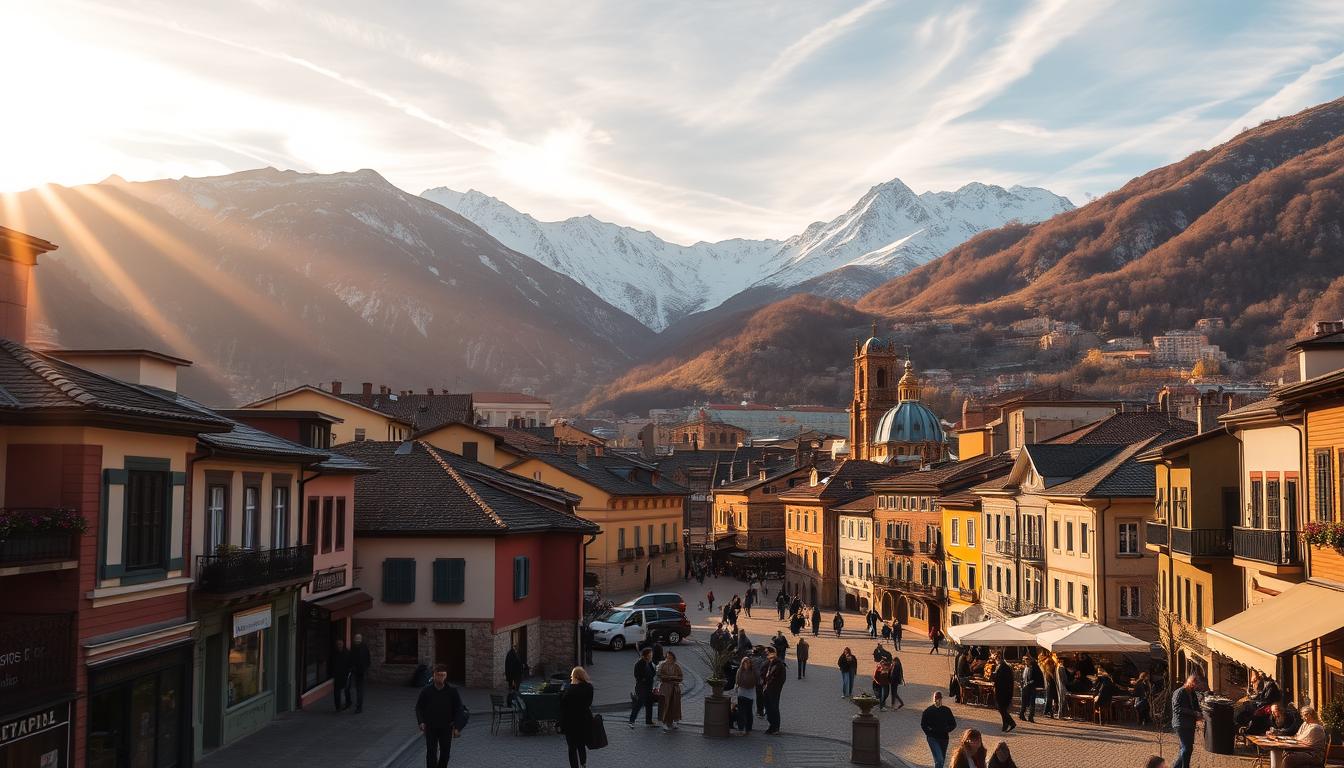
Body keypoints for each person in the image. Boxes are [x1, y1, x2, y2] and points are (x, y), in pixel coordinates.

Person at [415, 664, 465, 768]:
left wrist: (457, 727)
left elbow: (459, 709)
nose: (440, 677)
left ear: (446, 676)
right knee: (431, 753)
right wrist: (421, 722)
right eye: (438, 675)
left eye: (443, 675)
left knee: (445, 753)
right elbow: (419, 707)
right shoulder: (426, 691)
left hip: (446, 727)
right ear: (433, 675)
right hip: (431, 727)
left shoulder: (452, 691)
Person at [559, 667, 594, 768]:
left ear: (574, 677)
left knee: (572, 748)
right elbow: (589, 703)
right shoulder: (589, 687)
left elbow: (563, 706)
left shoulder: (570, 690)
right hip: (584, 720)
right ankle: (583, 763)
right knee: (581, 744)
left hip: (571, 722)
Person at [1170, 674, 1202, 768]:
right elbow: (1176, 708)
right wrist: (1194, 713)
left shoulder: (1192, 693)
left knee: (1187, 748)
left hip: (1190, 724)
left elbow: (1196, 706)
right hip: (1180, 723)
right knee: (1186, 747)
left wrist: (1199, 714)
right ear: (1191, 682)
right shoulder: (1179, 692)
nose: (1196, 687)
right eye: (1195, 684)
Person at [921, 691, 958, 768]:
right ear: (933, 699)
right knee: (940, 759)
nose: (937, 700)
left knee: (941, 760)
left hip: (944, 738)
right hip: (933, 738)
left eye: (939, 698)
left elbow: (953, 724)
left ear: (941, 699)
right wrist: (929, 733)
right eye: (936, 698)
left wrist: (946, 729)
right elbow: (923, 724)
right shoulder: (928, 711)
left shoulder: (947, 710)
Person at [628, 647, 657, 728]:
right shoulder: (640, 663)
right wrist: (644, 679)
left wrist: (651, 664)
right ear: (646, 655)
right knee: (638, 704)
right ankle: (631, 721)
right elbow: (637, 675)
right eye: (650, 654)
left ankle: (649, 721)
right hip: (641, 688)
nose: (652, 655)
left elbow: (653, 673)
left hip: (648, 687)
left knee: (649, 704)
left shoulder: (649, 663)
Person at [761, 646, 787, 735]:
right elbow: (762, 674)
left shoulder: (779, 665)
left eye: (767, 653)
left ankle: (776, 728)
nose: (766, 654)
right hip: (766, 690)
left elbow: (782, 679)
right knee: (768, 708)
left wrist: (773, 687)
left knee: (774, 708)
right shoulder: (767, 663)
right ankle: (771, 726)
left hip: (774, 691)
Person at [657, 651, 684, 732]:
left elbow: (680, 677)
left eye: (670, 657)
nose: (668, 659)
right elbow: (659, 675)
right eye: (667, 657)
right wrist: (670, 677)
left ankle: (675, 721)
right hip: (665, 687)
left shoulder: (677, 666)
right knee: (665, 704)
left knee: (675, 705)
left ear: (673, 658)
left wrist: (673, 678)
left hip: (675, 688)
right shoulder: (663, 665)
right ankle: (664, 722)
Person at [732, 656, 758, 734]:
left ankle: (748, 729)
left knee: (748, 713)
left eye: (748, 663)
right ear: (742, 664)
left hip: (749, 695)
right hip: (741, 694)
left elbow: (755, 682)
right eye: (745, 663)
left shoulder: (753, 672)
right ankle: (741, 729)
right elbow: (737, 682)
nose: (746, 664)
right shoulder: (740, 671)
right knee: (742, 713)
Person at [992, 655, 1017, 732]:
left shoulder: (1004, 668)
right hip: (1004, 691)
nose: (996, 660)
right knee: (1002, 709)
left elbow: (1001, 680)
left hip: (1003, 692)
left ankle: (1011, 723)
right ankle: (1005, 725)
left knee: (1001, 709)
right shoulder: (1002, 667)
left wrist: (994, 676)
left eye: (997, 659)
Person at [351, 633, 371, 713]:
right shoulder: (364, 647)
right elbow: (368, 660)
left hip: (358, 671)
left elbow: (352, 660)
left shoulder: (355, 648)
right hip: (360, 671)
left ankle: (359, 706)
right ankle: (359, 706)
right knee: (359, 689)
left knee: (359, 689)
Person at [331, 638, 352, 712]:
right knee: (336, 691)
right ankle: (337, 706)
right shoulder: (334, 653)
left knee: (346, 690)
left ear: (343, 644)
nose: (339, 645)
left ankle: (348, 703)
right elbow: (332, 664)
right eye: (338, 644)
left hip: (346, 674)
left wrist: (349, 672)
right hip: (337, 675)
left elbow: (350, 664)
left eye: (340, 644)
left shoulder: (347, 653)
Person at [1020, 655, 1042, 723]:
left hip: (1032, 687)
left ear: (1031, 660)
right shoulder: (1025, 667)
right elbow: (1023, 677)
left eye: (1027, 659)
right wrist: (1022, 683)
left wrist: (1033, 681)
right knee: (1024, 701)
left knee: (1032, 703)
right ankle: (1021, 715)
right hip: (1025, 686)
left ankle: (1030, 717)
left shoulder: (1034, 667)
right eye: (1025, 660)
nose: (1026, 661)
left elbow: (1039, 677)